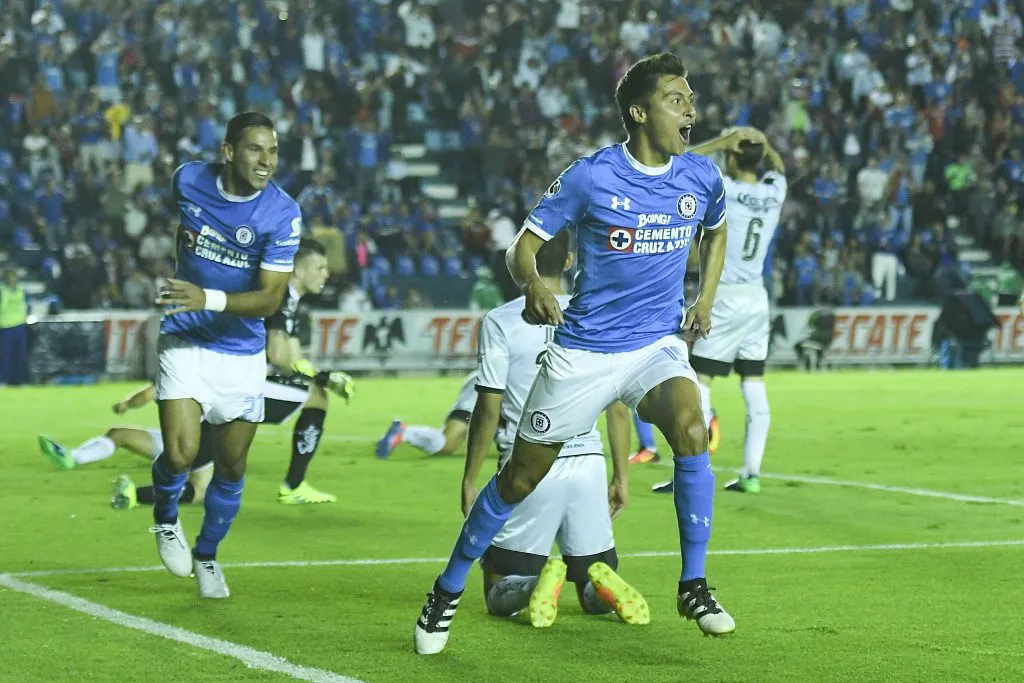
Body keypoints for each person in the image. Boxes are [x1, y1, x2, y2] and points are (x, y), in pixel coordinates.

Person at [414, 53, 745, 655]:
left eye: (691, 97)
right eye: (677, 98)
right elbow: (524, 247)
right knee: (518, 477)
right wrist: (535, 283)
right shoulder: (590, 176)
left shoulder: (700, 179)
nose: (691, 108)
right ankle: (447, 590)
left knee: (692, 425)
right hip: (586, 351)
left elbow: (717, 229)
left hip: (655, 346)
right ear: (640, 112)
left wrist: (706, 294)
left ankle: (693, 583)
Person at [150, 111, 301, 599]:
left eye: (273, 151)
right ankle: (165, 518)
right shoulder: (188, 180)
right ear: (229, 151)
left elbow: (270, 299)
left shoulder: (282, 214)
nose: (266, 160)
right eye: (256, 149)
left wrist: (207, 296)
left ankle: (208, 555)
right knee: (181, 452)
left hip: (240, 350)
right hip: (186, 338)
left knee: (233, 466)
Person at [464, 231, 648, 628]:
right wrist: (620, 475)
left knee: (497, 591)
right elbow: (617, 407)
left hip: (528, 462)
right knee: (591, 578)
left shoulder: (500, 321)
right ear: (569, 263)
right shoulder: (597, 315)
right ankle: (597, 585)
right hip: (587, 461)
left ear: (521, 267)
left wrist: (471, 477)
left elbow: (488, 406)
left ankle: (533, 587)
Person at [680, 126, 787, 494]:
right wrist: (763, 142)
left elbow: (684, 160)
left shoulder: (726, 187)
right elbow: (779, 168)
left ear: (730, 156)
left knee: (699, 379)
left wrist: (721, 142)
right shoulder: (775, 191)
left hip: (723, 294)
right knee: (754, 383)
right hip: (757, 296)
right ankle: (752, 474)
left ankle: (698, 463)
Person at [264, 238, 355, 504]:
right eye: (320, 267)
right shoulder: (280, 297)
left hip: (233, 379)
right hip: (235, 384)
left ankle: (295, 485)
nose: (326, 274)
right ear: (298, 270)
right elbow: (277, 355)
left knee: (193, 464)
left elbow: (294, 358)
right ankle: (294, 485)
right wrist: (321, 379)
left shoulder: (288, 300)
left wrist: (326, 378)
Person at [37, 383, 215, 508]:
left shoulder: (175, 369)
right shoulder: (214, 373)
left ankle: (74, 457)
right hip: (200, 441)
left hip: (175, 441)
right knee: (198, 491)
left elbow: (147, 394)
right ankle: (135, 495)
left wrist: (126, 404)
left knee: (119, 435)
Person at [0, 268, 30, 386]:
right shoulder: (2, 291)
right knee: (5, 355)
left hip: (20, 326)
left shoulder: (22, 291)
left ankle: (19, 380)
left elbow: (28, 305)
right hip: (6, 327)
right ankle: (4, 380)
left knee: (20, 355)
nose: (12, 279)